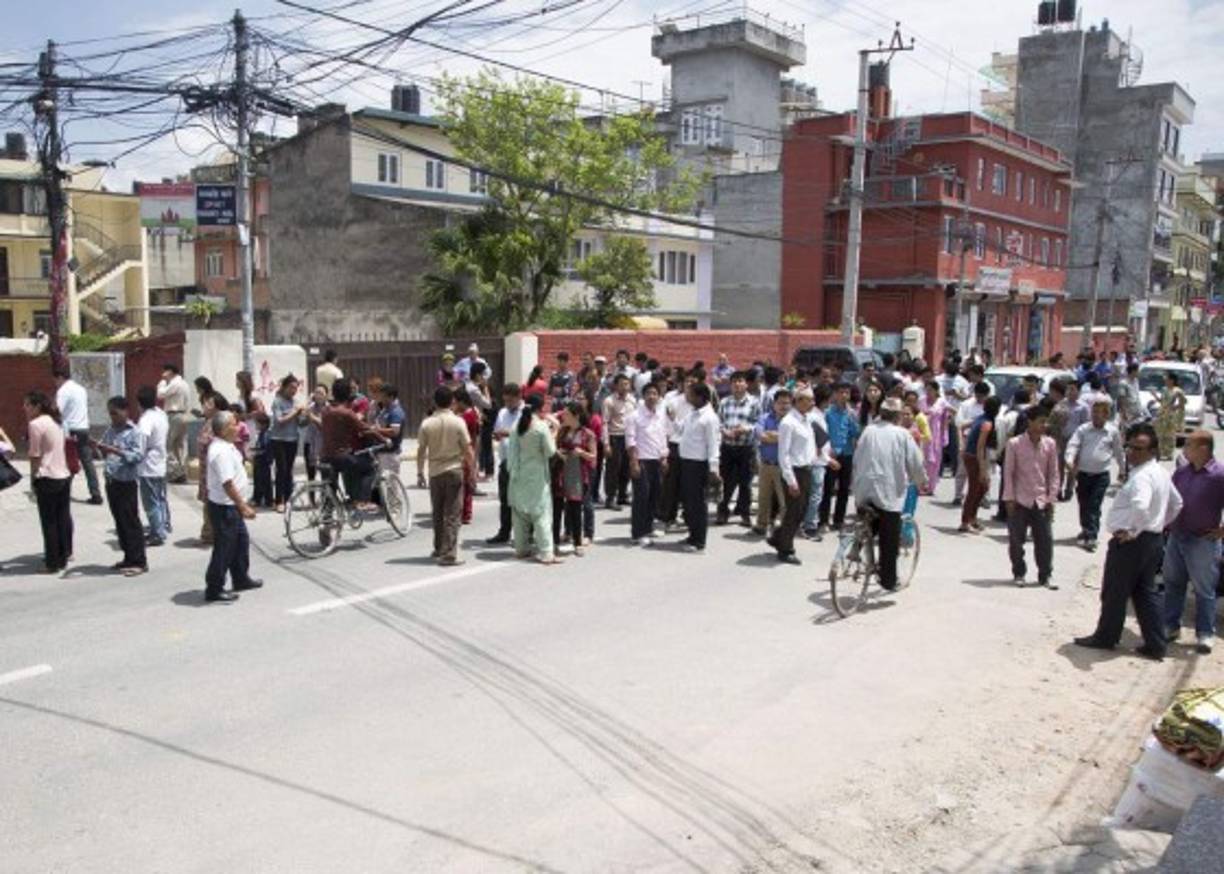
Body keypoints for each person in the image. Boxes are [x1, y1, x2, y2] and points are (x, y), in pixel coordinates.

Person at [1074, 423, 1183, 660]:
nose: (1132, 452)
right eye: (1130, 447)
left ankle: (1106, 636)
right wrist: (1158, 525)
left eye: (1139, 448)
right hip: (1152, 540)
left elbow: (1141, 506)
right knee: (1145, 592)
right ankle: (1156, 643)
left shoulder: (1143, 477)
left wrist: (1135, 529)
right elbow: (1176, 504)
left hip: (1132, 543)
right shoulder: (1160, 473)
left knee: (1115, 591)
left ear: (1153, 451)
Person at [851, 397, 927, 590]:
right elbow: (916, 464)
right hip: (888, 493)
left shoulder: (868, 431)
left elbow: (857, 458)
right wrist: (921, 481)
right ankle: (888, 580)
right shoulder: (902, 434)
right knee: (889, 539)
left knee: (868, 522)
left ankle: (856, 546)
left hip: (863, 489)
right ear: (898, 416)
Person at [1162, 431, 1224, 655]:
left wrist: (1222, 531)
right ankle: (1170, 626)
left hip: (1202, 541)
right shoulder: (1181, 472)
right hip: (1177, 536)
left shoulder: (1219, 475)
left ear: (1203, 449)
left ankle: (1205, 633)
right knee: (1173, 583)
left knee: (1204, 590)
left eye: (1188, 445)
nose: (1184, 449)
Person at [202, 410, 262, 603]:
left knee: (241, 542)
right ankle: (214, 588)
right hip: (225, 507)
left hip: (231, 506)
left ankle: (241, 578)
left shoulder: (228, 446)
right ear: (223, 428)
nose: (238, 427)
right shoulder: (220, 451)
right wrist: (243, 506)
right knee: (224, 548)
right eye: (234, 424)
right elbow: (227, 483)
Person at [1002, 404, 1060, 588]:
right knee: (1016, 541)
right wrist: (1009, 498)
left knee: (1045, 541)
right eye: (1041, 421)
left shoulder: (1049, 444)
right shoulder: (1015, 444)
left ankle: (1045, 575)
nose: (1045, 425)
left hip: (1041, 500)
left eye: (1046, 421)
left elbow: (1054, 474)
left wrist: (1052, 499)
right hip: (1019, 499)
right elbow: (1008, 473)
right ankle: (1019, 572)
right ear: (1030, 422)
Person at [416, 386, 473, 566]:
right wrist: (471, 471)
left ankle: (439, 547)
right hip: (454, 469)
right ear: (452, 402)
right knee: (453, 514)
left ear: (435, 402)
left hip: (435, 472)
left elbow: (421, 451)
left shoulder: (426, 423)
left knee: (438, 512)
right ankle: (449, 554)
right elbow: (468, 449)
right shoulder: (458, 422)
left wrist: (419, 472)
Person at [94, 396, 148, 576]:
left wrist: (115, 450)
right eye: (110, 414)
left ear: (126, 411)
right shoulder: (111, 430)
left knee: (130, 521)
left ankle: (139, 561)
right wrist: (100, 449)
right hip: (112, 481)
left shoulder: (134, 432)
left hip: (126, 482)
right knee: (120, 522)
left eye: (115, 413)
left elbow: (137, 456)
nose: (113, 417)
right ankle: (128, 557)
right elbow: (105, 450)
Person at [1065, 399, 1124, 552]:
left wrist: (1123, 469)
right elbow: (1073, 444)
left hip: (1101, 475)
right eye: (1094, 412)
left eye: (1100, 413)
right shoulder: (1083, 429)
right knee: (1084, 504)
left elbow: (1119, 452)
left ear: (1106, 415)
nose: (1096, 416)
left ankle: (1092, 535)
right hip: (1083, 474)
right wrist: (1069, 460)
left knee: (1094, 504)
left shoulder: (1112, 431)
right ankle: (1085, 528)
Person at [508, 394, 560, 564]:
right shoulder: (541, 426)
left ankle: (521, 549)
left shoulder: (517, 425)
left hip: (518, 473)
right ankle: (546, 552)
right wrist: (555, 432)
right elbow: (550, 451)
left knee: (520, 513)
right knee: (541, 513)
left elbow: (512, 451)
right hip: (536, 475)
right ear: (541, 408)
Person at [25, 391, 73, 573]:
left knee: (49, 522)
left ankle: (52, 562)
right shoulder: (56, 421)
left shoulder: (36, 424)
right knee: (61, 518)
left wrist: (33, 478)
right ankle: (63, 556)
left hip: (47, 476)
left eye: (28, 404)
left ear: (37, 406)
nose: (25, 408)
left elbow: (35, 454)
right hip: (62, 475)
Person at [772, 387, 818, 564]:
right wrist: (791, 480)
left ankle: (778, 536)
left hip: (806, 469)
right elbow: (783, 454)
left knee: (801, 510)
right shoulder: (788, 422)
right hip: (794, 471)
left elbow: (810, 446)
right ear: (798, 401)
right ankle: (786, 549)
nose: (812, 404)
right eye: (809, 400)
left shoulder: (806, 420)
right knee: (794, 512)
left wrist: (824, 459)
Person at [676, 381, 721, 553]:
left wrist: (713, 469)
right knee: (689, 502)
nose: (687, 397)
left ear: (700, 397)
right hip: (686, 462)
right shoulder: (692, 413)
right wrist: (671, 418)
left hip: (699, 465)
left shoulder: (709, 418)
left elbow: (713, 444)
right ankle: (692, 534)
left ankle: (699, 541)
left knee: (698, 504)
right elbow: (680, 430)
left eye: (690, 394)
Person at [321, 380, 378, 508]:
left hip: (324, 456)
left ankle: (327, 520)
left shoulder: (325, 411)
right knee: (369, 469)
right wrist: (384, 440)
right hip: (341, 456)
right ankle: (363, 501)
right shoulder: (346, 413)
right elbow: (365, 429)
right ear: (348, 394)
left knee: (330, 490)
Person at [626, 381, 669, 546]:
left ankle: (648, 527)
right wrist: (633, 462)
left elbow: (662, 437)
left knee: (654, 497)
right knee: (641, 498)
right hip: (641, 460)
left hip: (657, 461)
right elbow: (630, 441)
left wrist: (664, 458)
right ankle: (638, 533)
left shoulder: (660, 415)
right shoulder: (634, 416)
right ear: (643, 396)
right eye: (649, 393)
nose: (652, 396)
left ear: (659, 397)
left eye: (655, 394)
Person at [716, 371, 760, 527]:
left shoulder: (754, 402)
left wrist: (746, 429)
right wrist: (724, 431)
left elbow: (758, 424)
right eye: (734, 381)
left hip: (746, 448)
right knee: (726, 481)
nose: (737, 384)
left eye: (740, 381)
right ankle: (723, 511)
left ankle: (744, 513)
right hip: (727, 447)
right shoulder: (724, 402)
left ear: (746, 384)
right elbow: (718, 422)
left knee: (745, 482)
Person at [553, 402, 597, 556]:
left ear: (575, 416)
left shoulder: (588, 434)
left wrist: (581, 453)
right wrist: (559, 452)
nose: (562, 416)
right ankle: (554, 542)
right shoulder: (562, 431)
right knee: (557, 508)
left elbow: (593, 456)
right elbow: (554, 447)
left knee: (575, 508)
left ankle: (578, 542)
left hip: (577, 473)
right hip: (560, 472)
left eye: (566, 414)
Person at [53, 366, 102, 505]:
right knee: (87, 462)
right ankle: (95, 493)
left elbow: (57, 410)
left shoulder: (63, 391)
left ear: (60, 377)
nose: (55, 383)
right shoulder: (81, 389)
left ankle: (62, 491)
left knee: (68, 461)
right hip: (83, 428)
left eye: (55, 380)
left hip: (70, 430)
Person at [818, 383, 860, 533]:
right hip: (831, 455)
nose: (844, 396)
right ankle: (823, 520)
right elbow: (823, 433)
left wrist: (853, 420)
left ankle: (838, 520)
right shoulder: (828, 413)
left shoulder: (852, 413)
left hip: (847, 454)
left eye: (846, 393)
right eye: (841, 392)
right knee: (827, 489)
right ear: (835, 395)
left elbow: (856, 433)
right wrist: (828, 450)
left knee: (844, 489)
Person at [486, 384, 524, 545]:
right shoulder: (502, 412)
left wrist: (507, 433)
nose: (507, 404)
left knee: (521, 500)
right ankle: (504, 531)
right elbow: (497, 430)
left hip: (521, 463)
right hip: (505, 461)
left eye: (510, 401)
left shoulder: (526, 413)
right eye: (505, 401)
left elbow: (526, 433)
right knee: (505, 499)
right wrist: (497, 435)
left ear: (518, 398)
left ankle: (524, 533)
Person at [135, 386, 170, 547]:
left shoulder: (145, 420)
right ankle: (164, 524)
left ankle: (157, 533)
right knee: (161, 498)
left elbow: (141, 443)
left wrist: (135, 457)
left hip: (149, 466)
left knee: (150, 502)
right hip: (161, 462)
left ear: (139, 404)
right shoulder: (161, 414)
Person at [960, 396, 1001, 533]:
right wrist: (983, 469)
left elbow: (961, 427)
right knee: (974, 489)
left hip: (971, 455)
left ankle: (972, 518)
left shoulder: (980, 418)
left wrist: (962, 445)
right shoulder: (987, 424)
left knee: (983, 488)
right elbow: (980, 447)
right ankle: (965, 522)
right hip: (975, 458)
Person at [753, 389, 790, 537]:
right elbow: (760, 435)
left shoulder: (791, 421)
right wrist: (779, 437)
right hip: (766, 464)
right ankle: (761, 525)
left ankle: (784, 527)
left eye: (787, 403)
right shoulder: (764, 418)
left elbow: (789, 439)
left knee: (784, 499)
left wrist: (774, 435)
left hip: (783, 466)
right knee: (763, 497)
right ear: (774, 404)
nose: (783, 406)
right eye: (780, 403)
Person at [267, 375, 304, 513]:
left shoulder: (295, 402)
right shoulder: (278, 401)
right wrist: (295, 412)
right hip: (278, 439)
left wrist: (305, 416)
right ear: (284, 387)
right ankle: (279, 501)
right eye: (291, 387)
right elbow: (279, 421)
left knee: (289, 470)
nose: (294, 390)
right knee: (281, 469)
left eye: (296, 388)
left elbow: (299, 422)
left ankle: (288, 499)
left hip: (293, 439)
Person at [601, 374, 637, 510]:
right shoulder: (609, 401)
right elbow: (605, 423)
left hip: (629, 438)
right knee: (613, 469)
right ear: (616, 385)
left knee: (626, 468)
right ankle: (610, 498)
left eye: (627, 384)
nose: (625, 387)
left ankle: (623, 496)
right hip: (615, 437)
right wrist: (606, 443)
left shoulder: (632, 400)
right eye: (622, 384)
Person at [952, 381, 990, 506]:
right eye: (978, 396)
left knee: (985, 470)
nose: (981, 399)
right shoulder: (966, 405)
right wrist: (961, 443)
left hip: (985, 441)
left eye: (983, 396)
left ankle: (984, 496)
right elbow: (959, 423)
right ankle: (958, 495)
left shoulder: (991, 406)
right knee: (962, 470)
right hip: (968, 439)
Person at [157, 363, 190, 483]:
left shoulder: (175, 383)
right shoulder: (184, 383)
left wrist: (161, 383)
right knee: (179, 446)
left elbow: (160, 394)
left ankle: (176, 472)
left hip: (174, 415)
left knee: (168, 444)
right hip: (182, 415)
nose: (163, 374)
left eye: (165, 371)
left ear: (170, 371)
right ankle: (181, 471)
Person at [453, 389, 481, 525]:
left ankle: (464, 513)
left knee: (463, 484)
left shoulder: (466, 416)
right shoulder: (472, 413)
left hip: (464, 451)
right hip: (468, 449)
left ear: (461, 402)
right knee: (466, 484)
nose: (455, 405)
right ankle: (466, 513)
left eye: (456, 402)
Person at [919, 381, 949, 496]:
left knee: (935, 461)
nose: (928, 392)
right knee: (922, 459)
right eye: (927, 389)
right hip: (923, 432)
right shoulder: (921, 401)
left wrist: (944, 435)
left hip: (936, 433)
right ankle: (922, 485)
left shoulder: (942, 402)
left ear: (936, 390)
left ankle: (931, 486)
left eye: (931, 390)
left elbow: (945, 420)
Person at [1154, 372, 1186, 461]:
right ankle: (1160, 453)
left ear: (1172, 380)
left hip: (1171, 416)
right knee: (1160, 434)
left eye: (1167, 379)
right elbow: (1162, 401)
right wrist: (1155, 395)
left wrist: (1175, 407)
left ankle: (1169, 454)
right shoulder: (1164, 389)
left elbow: (1183, 402)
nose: (1165, 381)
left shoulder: (1177, 390)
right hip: (1161, 414)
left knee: (1170, 435)